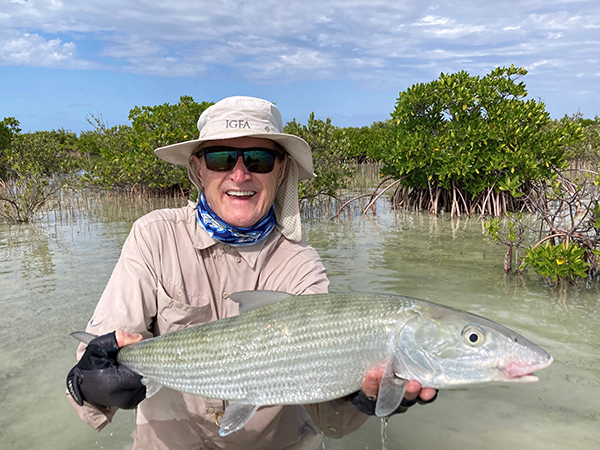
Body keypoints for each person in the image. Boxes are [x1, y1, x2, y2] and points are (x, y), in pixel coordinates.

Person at [66, 96, 437, 450]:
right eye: (221, 158)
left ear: (281, 170)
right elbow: (100, 350)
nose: (239, 174)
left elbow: (327, 413)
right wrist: (90, 380)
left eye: (258, 159)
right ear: (198, 168)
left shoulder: (300, 264)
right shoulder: (153, 236)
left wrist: (363, 396)